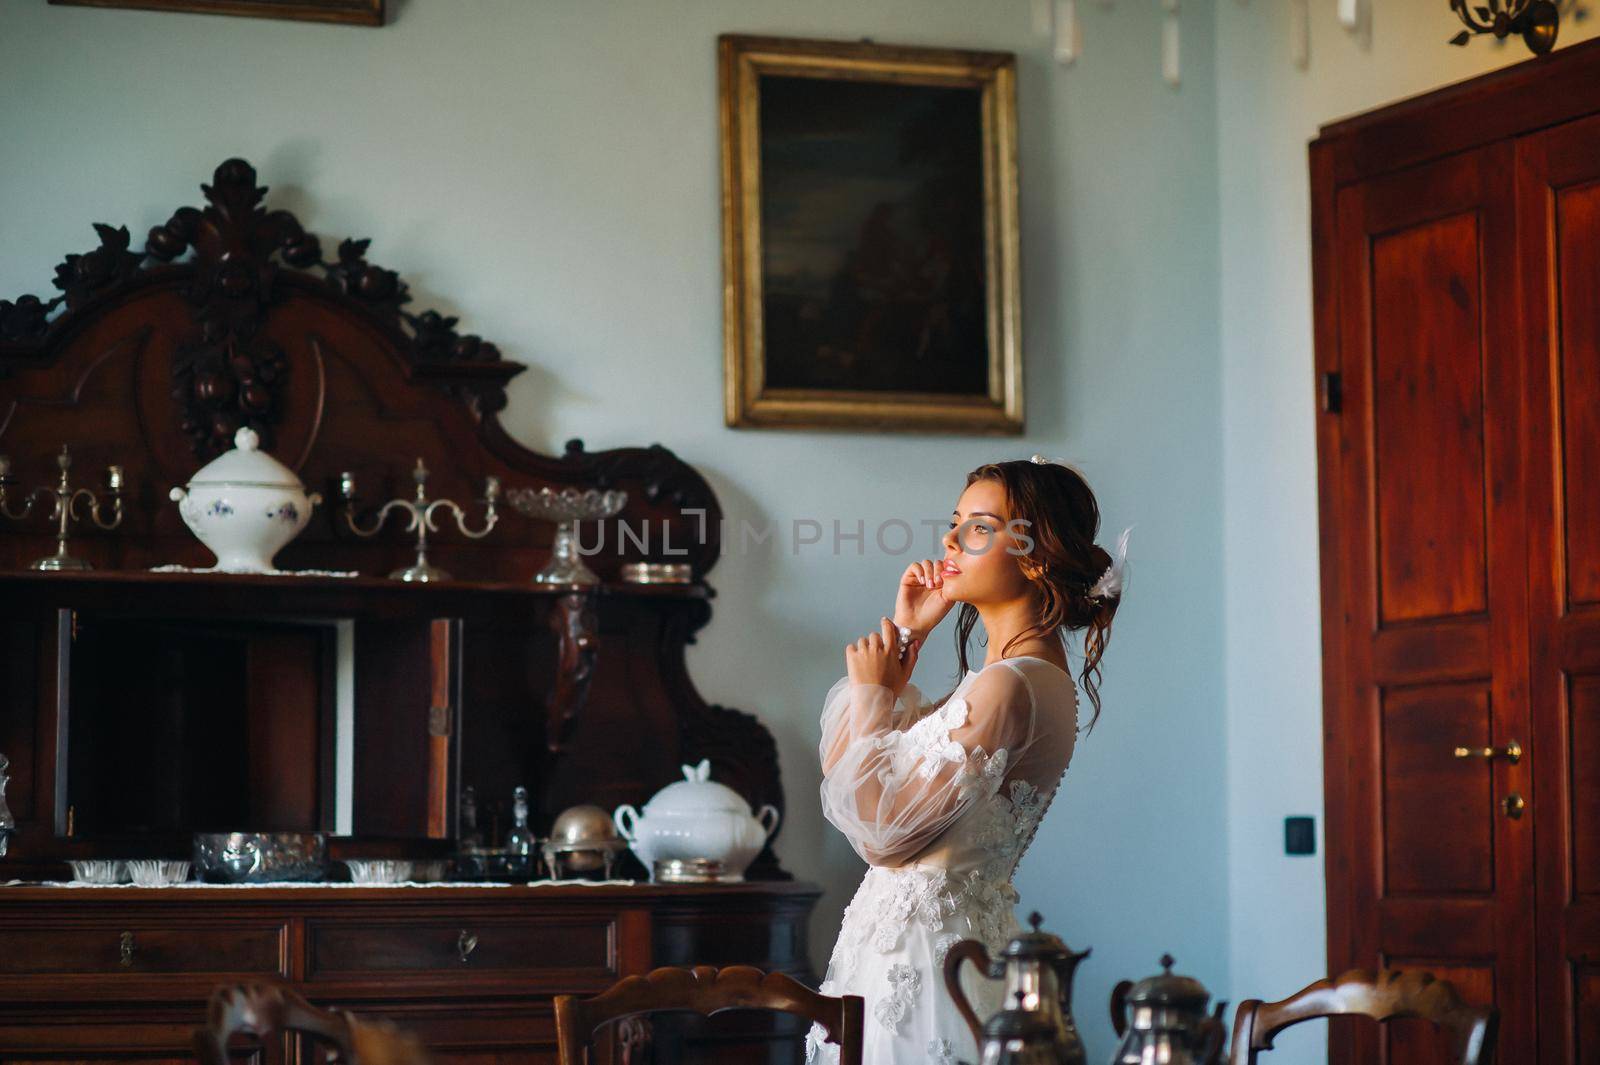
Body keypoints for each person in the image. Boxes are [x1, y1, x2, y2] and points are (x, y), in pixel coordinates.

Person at [804, 455, 1130, 1065]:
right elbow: (875, 789)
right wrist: (906, 634)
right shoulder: (1005, 680)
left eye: (978, 527)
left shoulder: (1012, 685)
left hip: (931, 966)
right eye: (955, 522)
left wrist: (875, 694)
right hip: (914, 951)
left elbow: (880, 835)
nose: (949, 540)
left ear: (1034, 555)